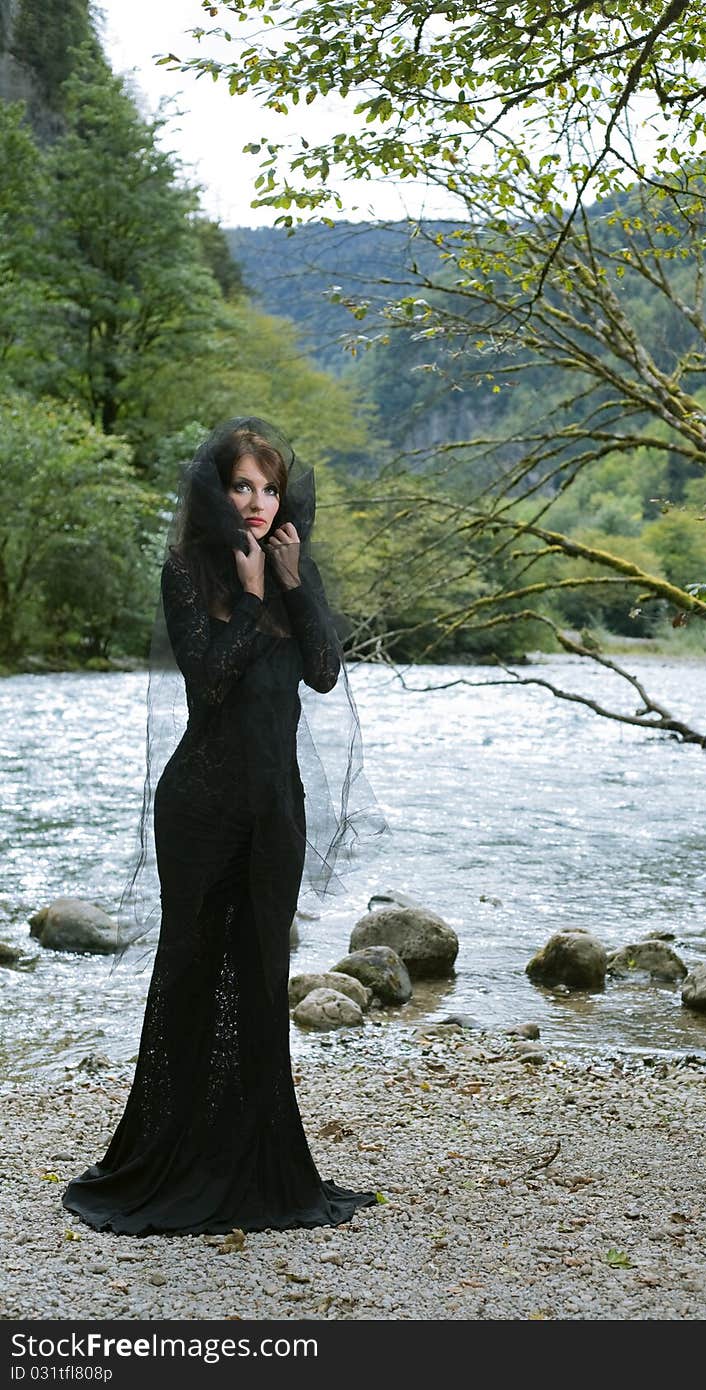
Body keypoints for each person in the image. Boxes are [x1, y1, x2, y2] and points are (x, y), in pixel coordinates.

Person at [62, 418, 381, 1236]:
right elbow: (206, 683)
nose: (257, 502)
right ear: (216, 489)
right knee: (192, 976)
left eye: (269, 488)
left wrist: (292, 582)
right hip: (200, 809)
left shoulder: (288, 571)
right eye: (243, 485)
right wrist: (245, 595)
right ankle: (170, 1158)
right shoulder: (186, 572)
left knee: (262, 976)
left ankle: (260, 1165)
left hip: (276, 808)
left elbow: (323, 671)